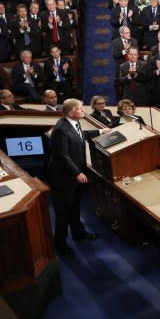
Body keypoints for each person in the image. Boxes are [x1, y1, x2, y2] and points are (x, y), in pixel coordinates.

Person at [47, 98, 109, 253]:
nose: (83, 111)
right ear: (70, 112)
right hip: (64, 178)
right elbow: (63, 155)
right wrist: (77, 173)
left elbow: (80, 135)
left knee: (75, 207)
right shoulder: (61, 129)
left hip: (74, 174)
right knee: (63, 213)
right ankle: (60, 244)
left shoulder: (73, 122)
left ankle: (78, 234)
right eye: (80, 109)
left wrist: (101, 131)